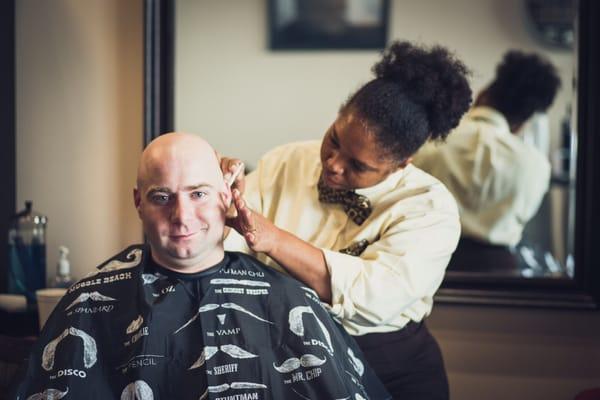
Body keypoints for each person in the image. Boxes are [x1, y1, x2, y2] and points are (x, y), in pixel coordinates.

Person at [13, 133, 390, 400]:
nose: (182, 216)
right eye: (162, 197)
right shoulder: (90, 300)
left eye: (198, 194)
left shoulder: (287, 298)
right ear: (138, 202)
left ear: (226, 196)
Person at [221, 41, 472, 399]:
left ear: (403, 163)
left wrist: (274, 239)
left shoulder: (429, 208)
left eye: (358, 165)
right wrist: (215, 191)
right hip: (284, 351)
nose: (334, 164)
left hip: (389, 366)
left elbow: (372, 296)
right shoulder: (285, 161)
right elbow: (229, 237)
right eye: (334, 140)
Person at [412, 50, 561, 271]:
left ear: (482, 95)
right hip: (499, 271)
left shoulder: (431, 141)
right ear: (523, 122)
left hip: (431, 265)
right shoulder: (536, 166)